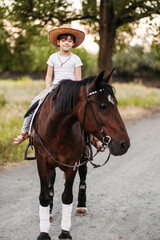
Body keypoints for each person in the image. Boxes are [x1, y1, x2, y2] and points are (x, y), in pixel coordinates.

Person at [13, 25, 104, 151]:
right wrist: (47, 90)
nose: (66, 42)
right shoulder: (53, 57)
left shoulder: (76, 59)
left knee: (85, 109)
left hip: (71, 89)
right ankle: (24, 132)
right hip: (55, 87)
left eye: (70, 40)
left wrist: (78, 93)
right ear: (58, 42)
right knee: (34, 102)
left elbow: (78, 79)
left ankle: (94, 138)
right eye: (63, 40)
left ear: (73, 43)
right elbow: (48, 76)